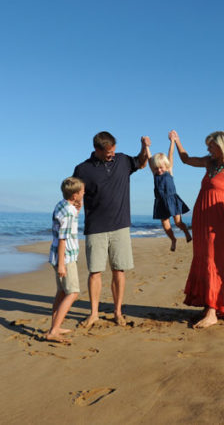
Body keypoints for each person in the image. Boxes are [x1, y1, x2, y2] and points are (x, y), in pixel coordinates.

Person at [170, 129, 224, 328]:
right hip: (200, 216)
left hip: (216, 219)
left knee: (214, 261)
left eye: (211, 146)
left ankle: (213, 311)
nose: (208, 149)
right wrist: (177, 141)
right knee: (202, 259)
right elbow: (186, 159)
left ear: (222, 146)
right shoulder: (208, 162)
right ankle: (208, 305)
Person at [73, 131, 151, 328]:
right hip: (95, 228)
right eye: (108, 152)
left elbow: (142, 163)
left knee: (119, 270)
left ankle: (117, 312)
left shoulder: (123, 160)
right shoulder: (82, 169)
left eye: (113, 151)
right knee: (95, 272)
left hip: (120, 226)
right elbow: (74, 193)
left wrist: (144, 147)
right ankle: (94, 314)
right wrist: (74, 206)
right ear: (97, 150)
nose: (112, 155)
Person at [46, 177, 85, 343]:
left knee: (62, 291)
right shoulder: (69, 212)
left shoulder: (62, 205)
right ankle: (54, 331)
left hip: (57, 255)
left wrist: (78, 209)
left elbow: (67, 222)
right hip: (65, 257)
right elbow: (63, 239)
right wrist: (62, 264)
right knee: (73, 292)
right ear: (75, 195)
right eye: (82, 192)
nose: (84, 193)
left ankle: (55, 325)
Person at [147, 134, 192, 251]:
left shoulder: (169, 170)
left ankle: (186, 232)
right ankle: (173, 239)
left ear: (166, 166)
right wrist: (146, 146)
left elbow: (170, 154)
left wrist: (172, 141)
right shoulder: (155, 174)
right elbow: (149, 158)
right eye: (156, 168)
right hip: (161, 202)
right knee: (166, 226)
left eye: (161, 167)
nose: (159, 170)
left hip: (172, 199)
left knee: (178, 222)